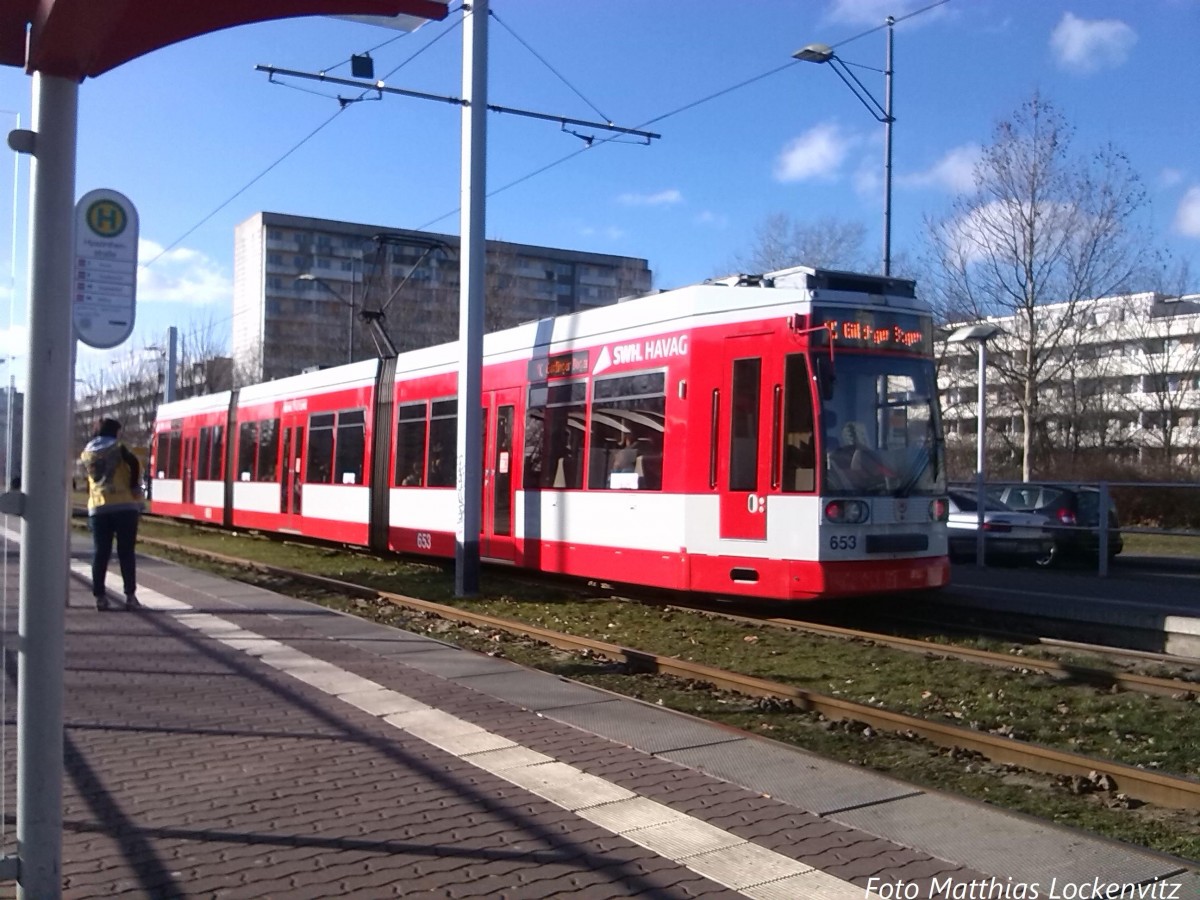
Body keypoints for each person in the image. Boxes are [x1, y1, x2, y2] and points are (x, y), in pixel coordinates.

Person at [81, 417, 144, 611]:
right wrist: (134, 486)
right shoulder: (119, 447)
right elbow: (134, 463)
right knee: (126, 552)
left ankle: (100, 596)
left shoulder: (87, 453)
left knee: (100, 553)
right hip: (124, 505)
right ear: (113, 432)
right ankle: (130, 596)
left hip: (98, 507)